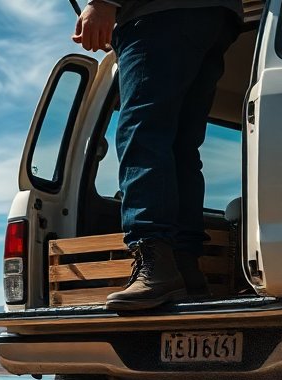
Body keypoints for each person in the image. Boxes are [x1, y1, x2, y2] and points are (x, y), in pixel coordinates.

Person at [71, 0, 244, 310]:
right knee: (180, 146)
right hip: (216, 14)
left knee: (143, 134)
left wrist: (104, 2)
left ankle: (155, 263)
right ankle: (186, 269)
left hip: (157, 9)